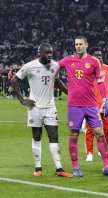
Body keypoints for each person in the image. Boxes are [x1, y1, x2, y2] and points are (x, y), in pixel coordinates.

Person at [58, 36, 108, 178]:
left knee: (100, 133)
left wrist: (104, 100)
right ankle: (76, 167)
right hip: (74, 106)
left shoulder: (94, 61)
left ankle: (106, 167)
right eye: (76, 44)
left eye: (80, 44)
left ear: (86, 45)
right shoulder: (67, 60)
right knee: (73, 135)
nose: (78, 46)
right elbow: (53, 67)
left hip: (91, 105)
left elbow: (100, 82)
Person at [11, 43, 73, 177]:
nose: (49, 55)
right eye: (46, 53)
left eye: (51, 52)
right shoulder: (29, 66)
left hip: (50, 107)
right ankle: (38, 167)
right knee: (37, 136)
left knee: (54, 136)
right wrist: (22, 99)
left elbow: (56, 82)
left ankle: (59, 168)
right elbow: (14, 80)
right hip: (35, 107)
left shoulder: (55, 65)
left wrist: (70, 94)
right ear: (39, 53)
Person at [85, 48, 108, 162]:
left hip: (104, 104)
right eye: (96, 55)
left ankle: (103, 150)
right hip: (91, 104)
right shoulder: (87, 68)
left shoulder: (107, 68)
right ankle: (89, 152)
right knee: (90, 130)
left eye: (100, 55)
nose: (99, 57)